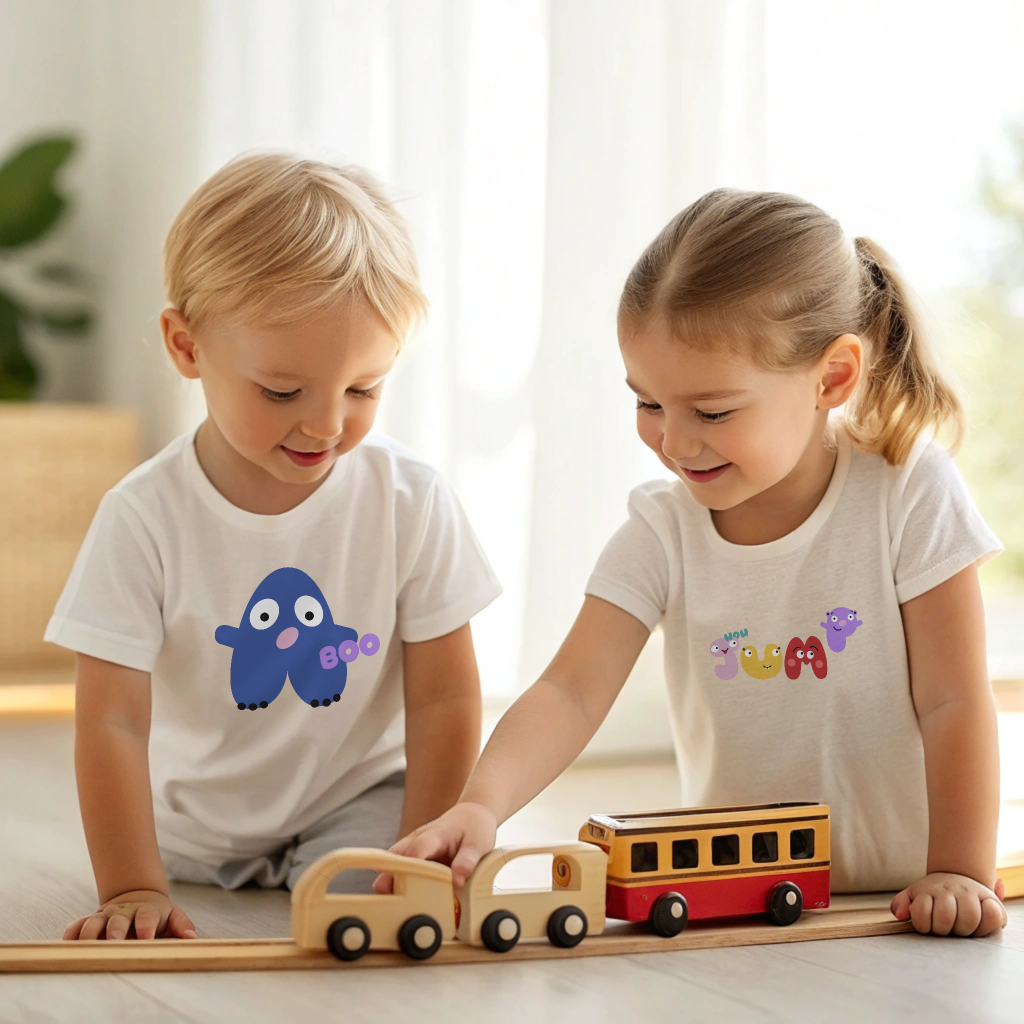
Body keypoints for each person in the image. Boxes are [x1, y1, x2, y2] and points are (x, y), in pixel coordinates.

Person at [377, 189, 1008, 938]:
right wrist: (481, 805)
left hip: (904, 893)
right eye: (649, 404)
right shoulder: (664, 529)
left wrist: (960, 869)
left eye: (711, 412)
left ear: (832, 378)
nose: (674, 443)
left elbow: (953, 700)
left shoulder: (910, 490)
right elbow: (570, 693)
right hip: (745, 899)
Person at [49, 153, 502, 942]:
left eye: (363, 389)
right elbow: (111, 723)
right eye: (283, 392)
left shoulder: (409, 498)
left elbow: (445, 700)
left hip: (354, 800)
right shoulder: (142, 517)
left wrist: (421, 857)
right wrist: (131, 886)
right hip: (194, 827)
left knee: (363, 906)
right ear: (187, 347)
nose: (327, 425)